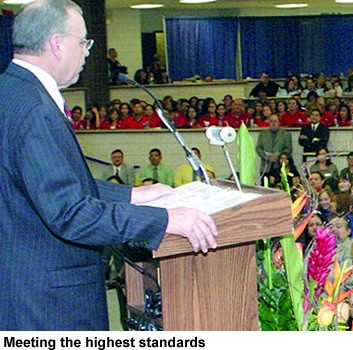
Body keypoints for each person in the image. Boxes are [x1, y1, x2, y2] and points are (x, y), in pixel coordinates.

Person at [0, 0, 217, 330]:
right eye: (83, 41)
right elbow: (69, 213)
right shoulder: (35, 109)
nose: (88, 51)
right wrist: (163, 220)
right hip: (50, 303)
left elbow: (45, 185)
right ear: (57, 44)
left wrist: (131, 196)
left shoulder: (11, 91)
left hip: (25, 283)